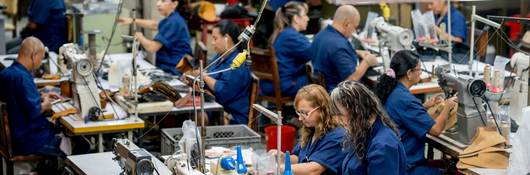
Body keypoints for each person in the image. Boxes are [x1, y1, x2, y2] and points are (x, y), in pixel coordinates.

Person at [373, 50, 457, 175]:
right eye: (419, 70)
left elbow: (404, 116)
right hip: (407, 166)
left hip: (394, 160)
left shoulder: (392, 90)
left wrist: (423, 107)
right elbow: (436, 130)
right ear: (409, 73)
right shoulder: (406, 100)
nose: (421, 73)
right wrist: (447, 107)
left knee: (446, 164)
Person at [0, 37, 64, 158]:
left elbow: (17, 96)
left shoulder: (6, 73)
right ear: (34, 55)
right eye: (40, 58)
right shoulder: (24, 78)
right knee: (80, 143)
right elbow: (34, 110)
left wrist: (40, 95)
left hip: (15, 136)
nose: (40, 63)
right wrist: (45, 104)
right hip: (30, 141)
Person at [330, 80, 407, 175]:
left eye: (340, 115)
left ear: (357, 112)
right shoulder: (362, 132)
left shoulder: (382, 146)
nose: (337, 121)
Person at [270, 84, 347, 175]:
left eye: (305, 113)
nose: (300, 118)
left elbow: (314, 169)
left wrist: (281, 168)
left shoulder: (337, 136)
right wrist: (284, 158)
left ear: (321, 109)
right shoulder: (311, 129)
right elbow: (299, 158)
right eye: (299, 112)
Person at [190, 20, 251, 125]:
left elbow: (223, 91)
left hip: (231, 116)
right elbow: (209, 74)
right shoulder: (219, 56)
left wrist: (203, 76)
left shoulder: (238, 63)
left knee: (199, 114)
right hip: (215, 107)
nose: (212, 43)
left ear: (227, 38)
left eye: (215, 38)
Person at [311, 5, 378, 92]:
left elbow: (331, 53)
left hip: (324, 91)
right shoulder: (339, 45)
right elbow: (350, 81)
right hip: (339, 96)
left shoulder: (320, 36)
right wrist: (367, 62)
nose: (354, 31)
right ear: (347, 24)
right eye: (355, 27)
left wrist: (356, 52)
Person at [119, 0, 192, 75]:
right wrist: (132, 20)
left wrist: (139, 37)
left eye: (163, 1)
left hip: (175, 71)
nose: (158, 4)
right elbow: (154, 25)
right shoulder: (174, 18)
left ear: (174, 4)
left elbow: (152, 47)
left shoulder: (173, 22)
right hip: (173, 67)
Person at [260, 2, 311, 97]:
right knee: (318, 83)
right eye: (305, 15)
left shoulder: (282, 33)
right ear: (296, 18)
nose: (308, 18)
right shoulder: (292, 37)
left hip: (269, 84)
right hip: (285, 85)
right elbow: (314, 53)